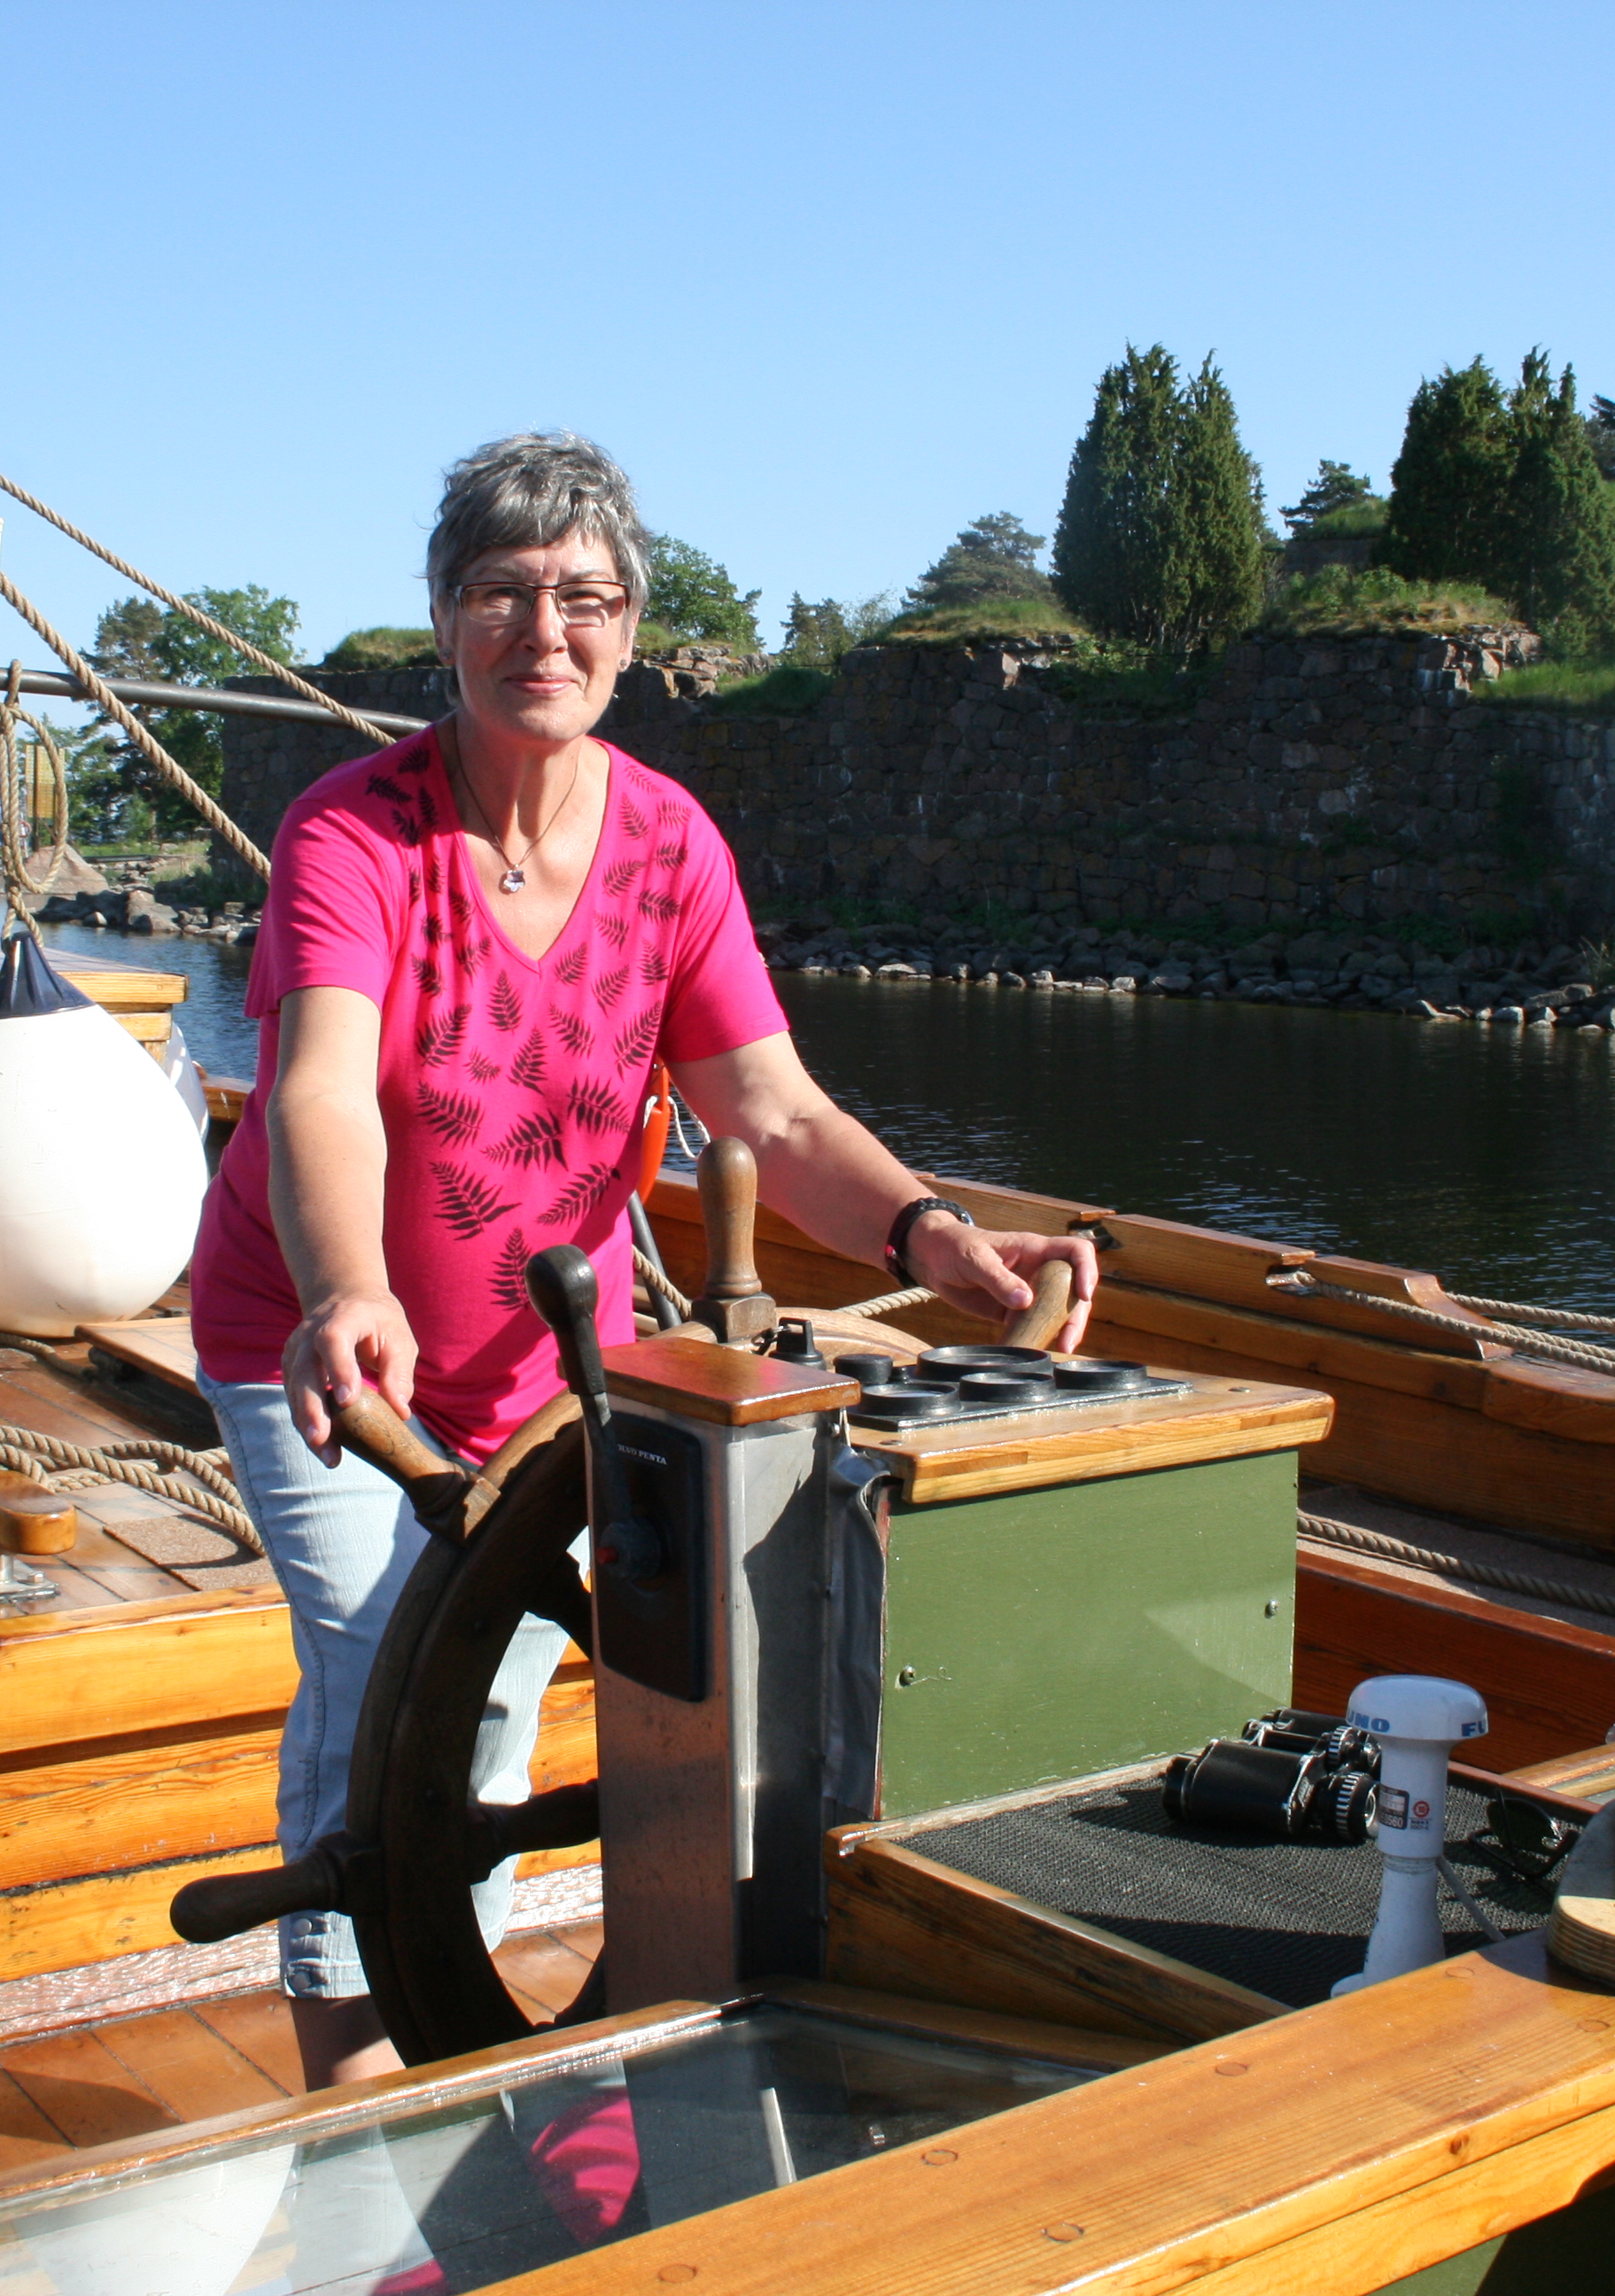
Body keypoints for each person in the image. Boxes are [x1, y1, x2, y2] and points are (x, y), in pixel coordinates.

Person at [190, 432, 1097, 2089]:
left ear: (629, 628)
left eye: (585, 598)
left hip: (559, 1371)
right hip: (319, 1343)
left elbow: (772, 1109)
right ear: (446, 620)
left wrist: (927, 1230)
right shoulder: (353, 836)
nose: (546, 632)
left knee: (485, 1702)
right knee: (389, 1671)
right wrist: (347, 1288)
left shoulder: (673, 847)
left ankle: (451, 2029)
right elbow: (319, 1087)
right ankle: (356, 2084)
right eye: (503, 593)